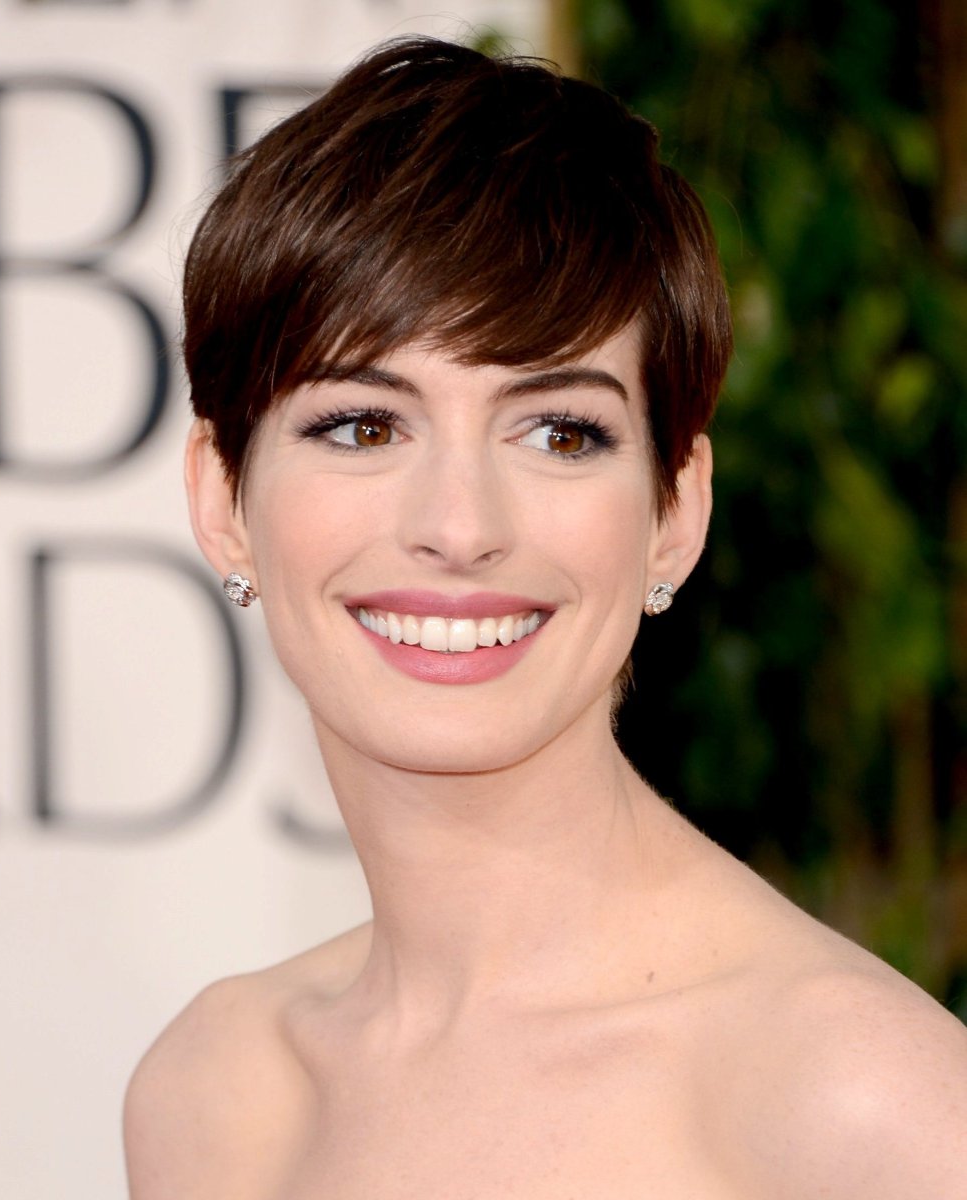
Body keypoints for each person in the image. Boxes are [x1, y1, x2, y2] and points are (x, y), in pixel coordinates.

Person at [124, 36, 967, 1198]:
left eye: (560, 432)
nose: (459, 524)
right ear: (223, 500)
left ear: (674, 510)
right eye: (364, 426)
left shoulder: (862, 1107)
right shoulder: (214, 1095)